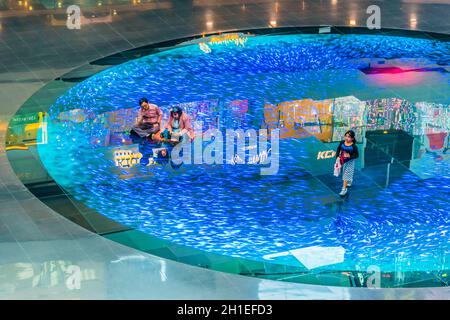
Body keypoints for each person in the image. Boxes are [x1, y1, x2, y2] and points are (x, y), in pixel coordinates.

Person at [336, 130, 359, 196]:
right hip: (343, 160)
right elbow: (338, 149)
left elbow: (357, 155)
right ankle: (349, 181)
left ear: (352, 138)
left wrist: (350, 156)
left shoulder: (354, 146)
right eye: (346, 136)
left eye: (349, 137)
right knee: (345, 172)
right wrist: (337, 157)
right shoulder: (342, 142)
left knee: (346, 174)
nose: (346, 138)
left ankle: (344, 189)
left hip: (350, 162)